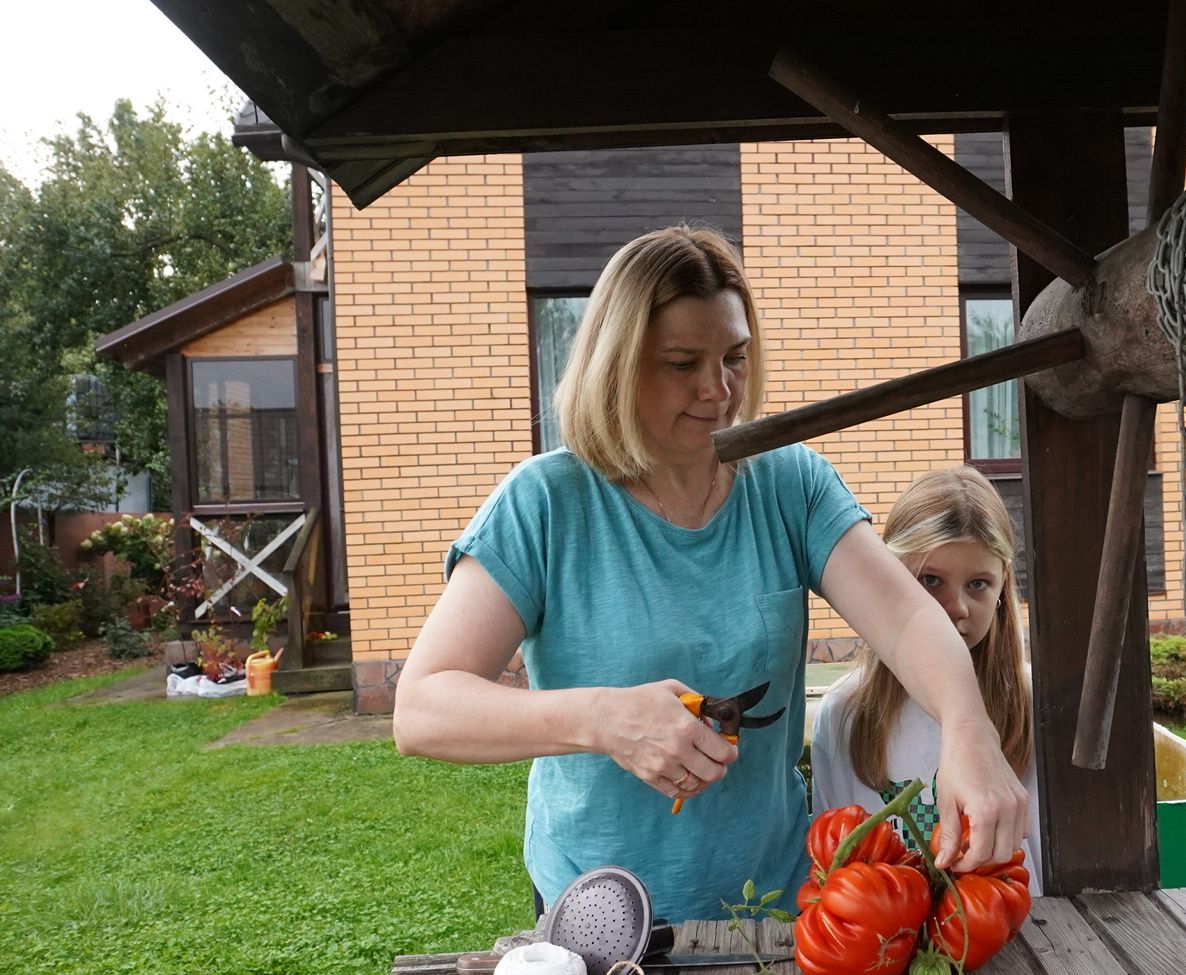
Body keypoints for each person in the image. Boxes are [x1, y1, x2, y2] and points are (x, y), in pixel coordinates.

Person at [392, 225, 1027, 922]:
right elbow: (424, 709)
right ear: (617, 363)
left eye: (735, 357)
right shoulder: (544, 503)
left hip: (777, 903)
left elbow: (906, 619)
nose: (718, 388)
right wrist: (603, 719)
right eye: (681, 362)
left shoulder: (791, 484)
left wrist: (969, 731)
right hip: (599, 910)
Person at [811, 466, 1043, 893]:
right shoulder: (845, 713)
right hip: (884, 942)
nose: (956, 607)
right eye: (930, 580)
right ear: (889, 578)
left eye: (978, 584)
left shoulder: (1036, 704)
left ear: (1002, 588)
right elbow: (834, 864)